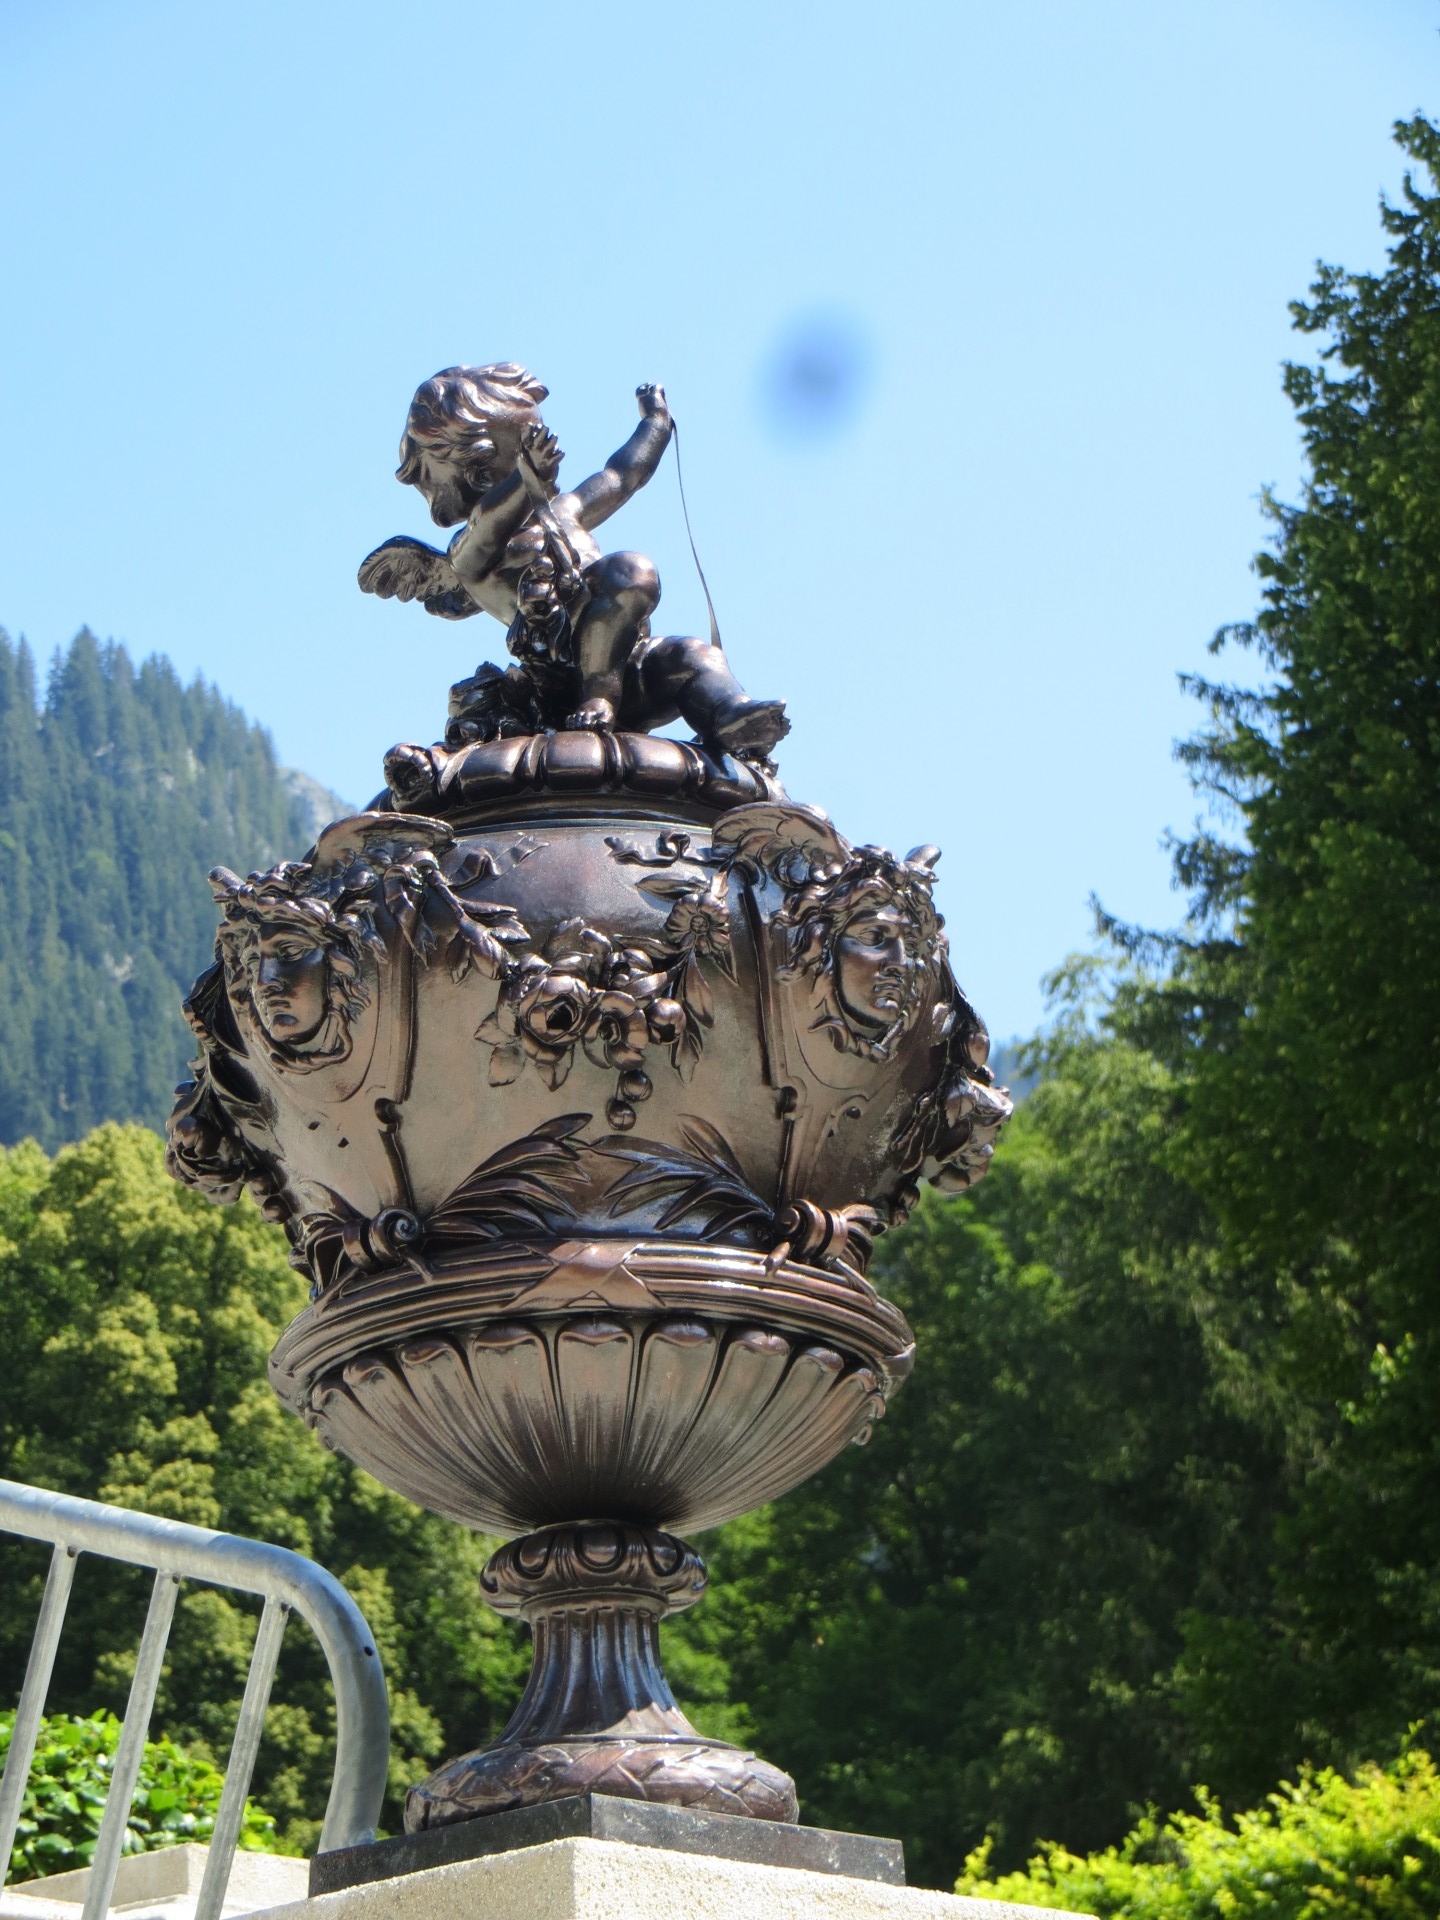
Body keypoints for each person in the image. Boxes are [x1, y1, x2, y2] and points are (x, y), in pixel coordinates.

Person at [359, 364, 789, 756]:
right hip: (560, 688)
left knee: (692, 655)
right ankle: (598, 694)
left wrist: (654, 423)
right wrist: (525, 480)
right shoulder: (470, 554)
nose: (547, 454)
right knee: (630, 570)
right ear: (484, 470)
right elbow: (487, 528)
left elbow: (622, 476)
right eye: (530, 445)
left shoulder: (564, 512)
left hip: (628, 666)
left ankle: (732, 714)